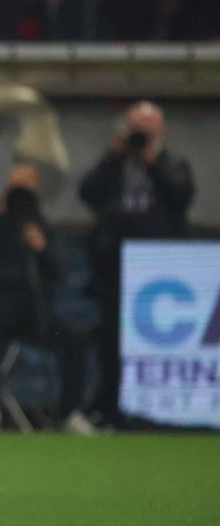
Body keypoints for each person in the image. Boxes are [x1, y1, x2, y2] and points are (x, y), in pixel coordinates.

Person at [79, 101, 194, 426]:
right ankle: (111, 409)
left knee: (161, 342)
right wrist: (113, 155)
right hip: (116, 265)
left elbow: (181, 197)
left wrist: (151, 161)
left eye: (148, 128)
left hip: (162, 270)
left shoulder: (175, 164)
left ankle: (160, 410)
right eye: (136, 127)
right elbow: (88, 193)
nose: (141, 134)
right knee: (111, 340)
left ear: (161, 130)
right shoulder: (113, 165)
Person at [0, 164, 95, 436]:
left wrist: (41, 248)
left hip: (33, 310)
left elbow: (60, 272)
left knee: (75, 340)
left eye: (27, 188)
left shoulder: (41, 225)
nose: (21, 194)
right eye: (16, 188)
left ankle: (70, 413)